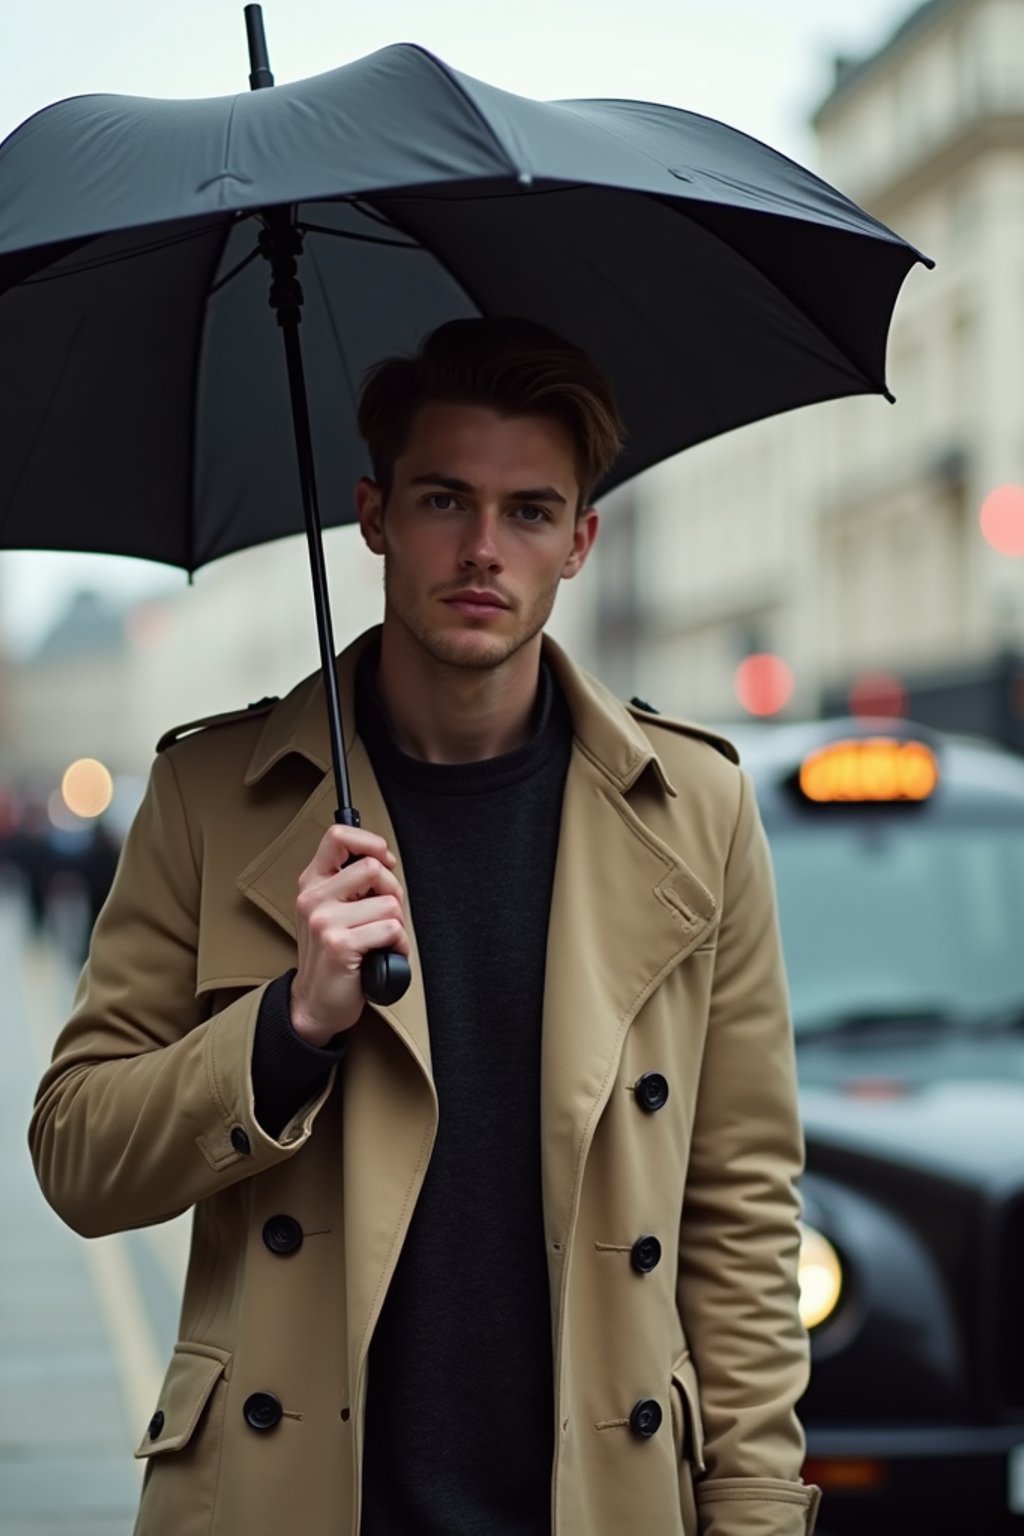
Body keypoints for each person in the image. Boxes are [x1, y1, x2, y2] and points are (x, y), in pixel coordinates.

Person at [29, 318, 821, 1536]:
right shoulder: (212, 797)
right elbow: (77, 1154)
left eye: (530, 512)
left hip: (597, 1500)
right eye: (445, 499)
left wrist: (757, 1513)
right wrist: (285, 1031)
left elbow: (742, 1210)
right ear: (374, 514)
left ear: (580, 543)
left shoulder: (695, 810)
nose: (483, 550)